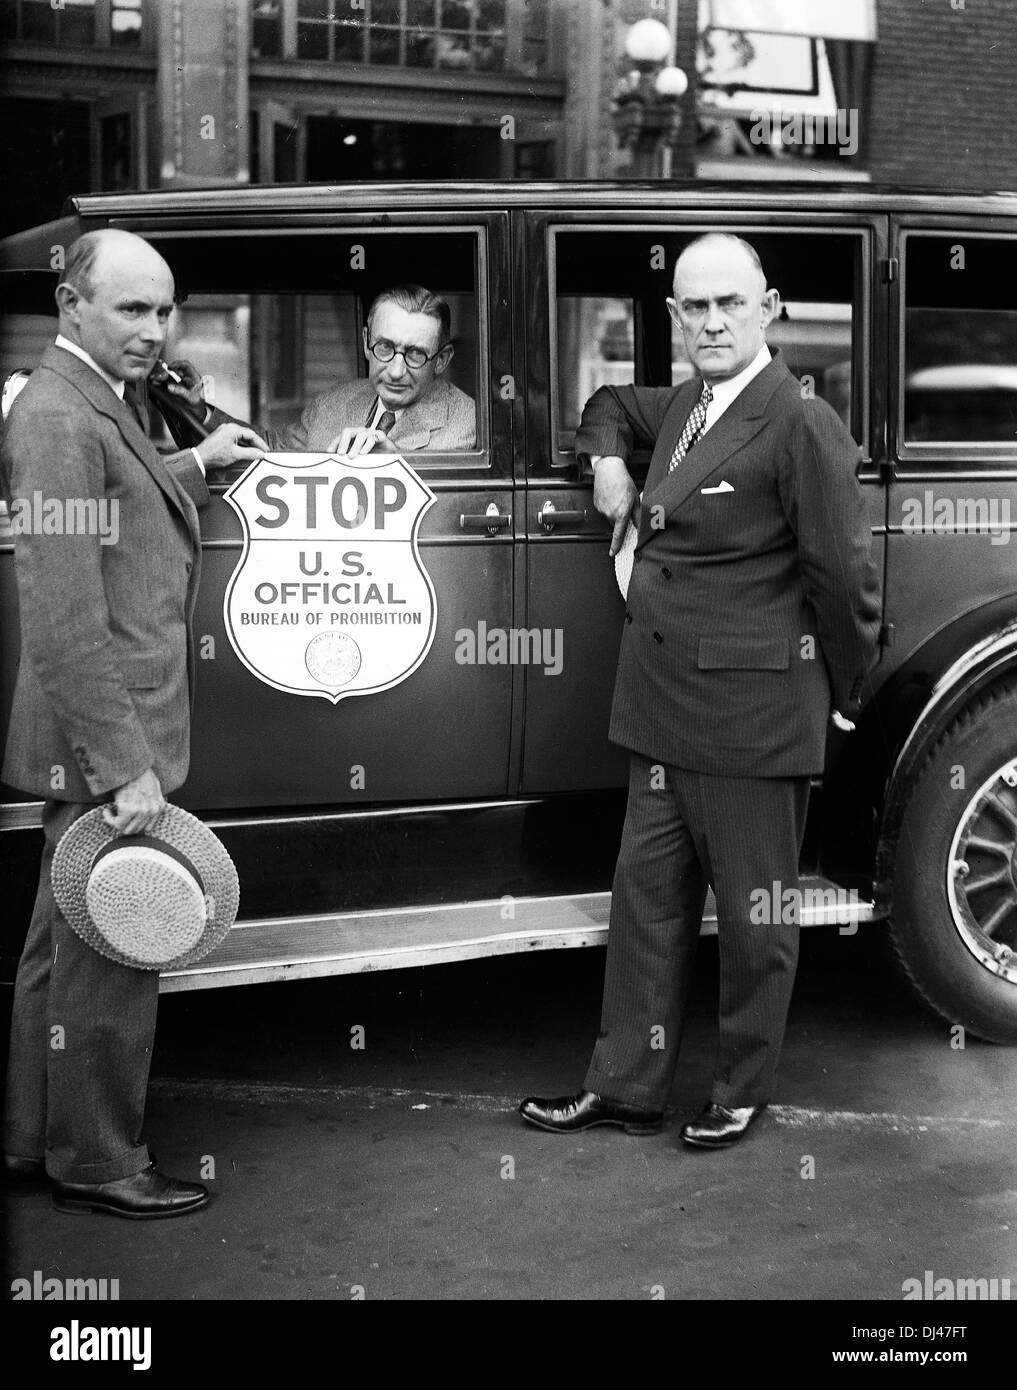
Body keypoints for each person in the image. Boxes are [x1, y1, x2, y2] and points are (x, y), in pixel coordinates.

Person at [519, 233, 882, 1148]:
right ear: (676, 316)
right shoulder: (686, 402)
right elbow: (604, 403)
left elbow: (843, 578)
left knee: (757, 920)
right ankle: (627, 1088)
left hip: (753, 717)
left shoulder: (797, 419)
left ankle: (741, 1089)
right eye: (693, 307)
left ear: (769, 308)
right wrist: (607, 462)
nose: (711, 321)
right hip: (661, 712)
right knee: (645, 910)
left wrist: (840, 693)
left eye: (729, 302)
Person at [1, 228, 268, 1216]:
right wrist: (124, 768)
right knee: (115, 951)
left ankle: (36, 1139)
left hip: (97, 738)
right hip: (107, 742)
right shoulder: (58, 416)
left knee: (59, 949)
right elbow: (66, 622)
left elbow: (121, 510)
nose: (155, 329)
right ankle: (101, 1159)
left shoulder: (86, 403)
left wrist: (194, 463)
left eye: (163, 310)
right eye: (131, 308)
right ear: (70, 304)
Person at [171, 283, 476, 456]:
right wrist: (200, 412)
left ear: (442, 359)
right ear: (366, 341)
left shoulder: (465, 422)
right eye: (384, 348)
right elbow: (271, 447)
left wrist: (392, 464)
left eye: (415, 355)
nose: (396, 371)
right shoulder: (336, 401)